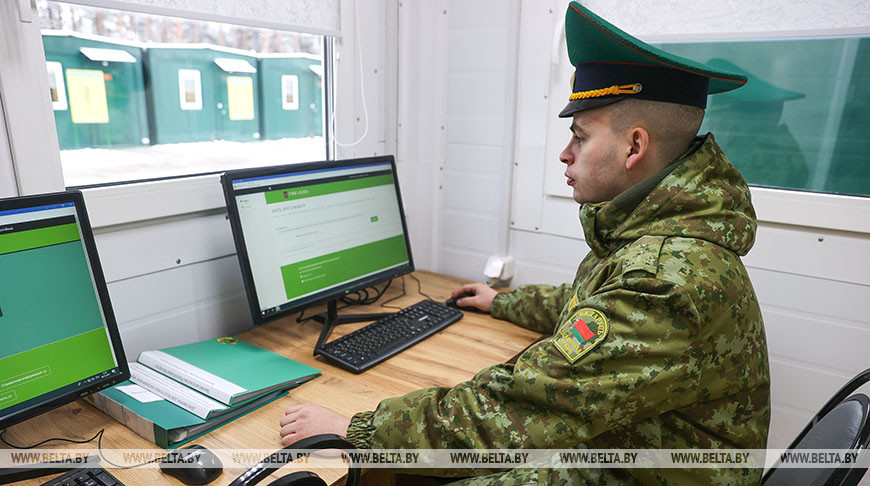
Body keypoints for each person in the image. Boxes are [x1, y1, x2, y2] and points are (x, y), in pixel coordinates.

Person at [279, 3, 770, 484]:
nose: (565, 152)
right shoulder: (659, 233)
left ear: (634, 147)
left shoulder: (664, 278)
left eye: (579, 136)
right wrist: (505, 302)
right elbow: (591, 309)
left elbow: (522, 404)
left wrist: (358, 429)